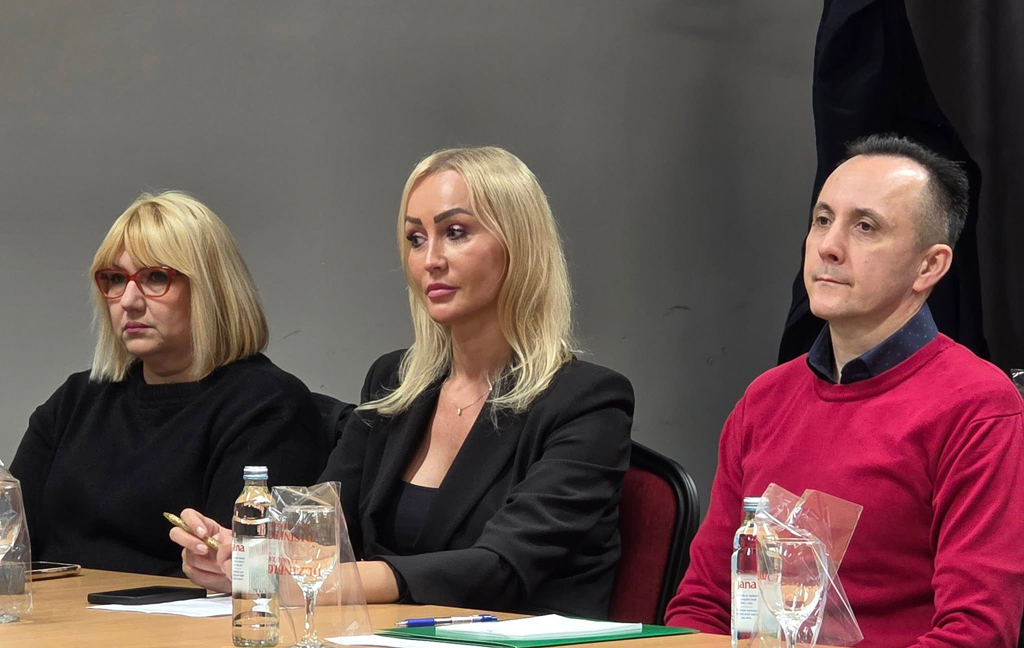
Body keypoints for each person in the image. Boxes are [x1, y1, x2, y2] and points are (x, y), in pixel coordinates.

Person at [173, 147, 634, 618]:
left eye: (455, 233)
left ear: (520, 245)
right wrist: (247, 556)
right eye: (416, 239)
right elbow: (321, 533)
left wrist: (314, 579)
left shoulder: (587, 402)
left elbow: (500, 568)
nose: (430, 259)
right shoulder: (393, 383)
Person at [666, 134, 1024, 647]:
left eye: (865, 226)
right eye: (822, 220)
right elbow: (705, 602)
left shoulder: (978, 406)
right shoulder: (765, 399)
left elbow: (977, 631)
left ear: (929, 266)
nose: (828, 247)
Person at [10, 191, 329, 576]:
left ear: (210, 289)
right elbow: (10, 537)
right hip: (52, 611)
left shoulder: (268, 405)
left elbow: (227, 569)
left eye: (155, 277)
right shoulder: (75, 401)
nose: (129, 301)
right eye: (116, 279)